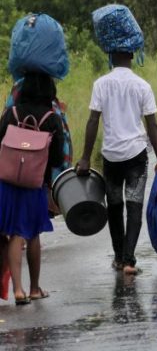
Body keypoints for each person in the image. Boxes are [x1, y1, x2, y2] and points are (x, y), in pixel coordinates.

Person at [76, 51, 157, 275]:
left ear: (111, 58)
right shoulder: (142, 85)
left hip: (111, 156)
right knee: (134, 206)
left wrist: (86, 157)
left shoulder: (101, 84)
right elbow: (152, 125)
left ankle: (118, 257)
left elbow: (92, 121)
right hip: (136, 154)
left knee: (115, 207)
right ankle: (128, 261)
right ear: (131, 56)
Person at [0, 72, 64, 304]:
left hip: (7, 183)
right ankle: (32, 289)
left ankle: (17, 289)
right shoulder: (52, 118)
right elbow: (57, 159)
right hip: (35, 185)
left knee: (14, 232)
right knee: (32, 234)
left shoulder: (11, 113)